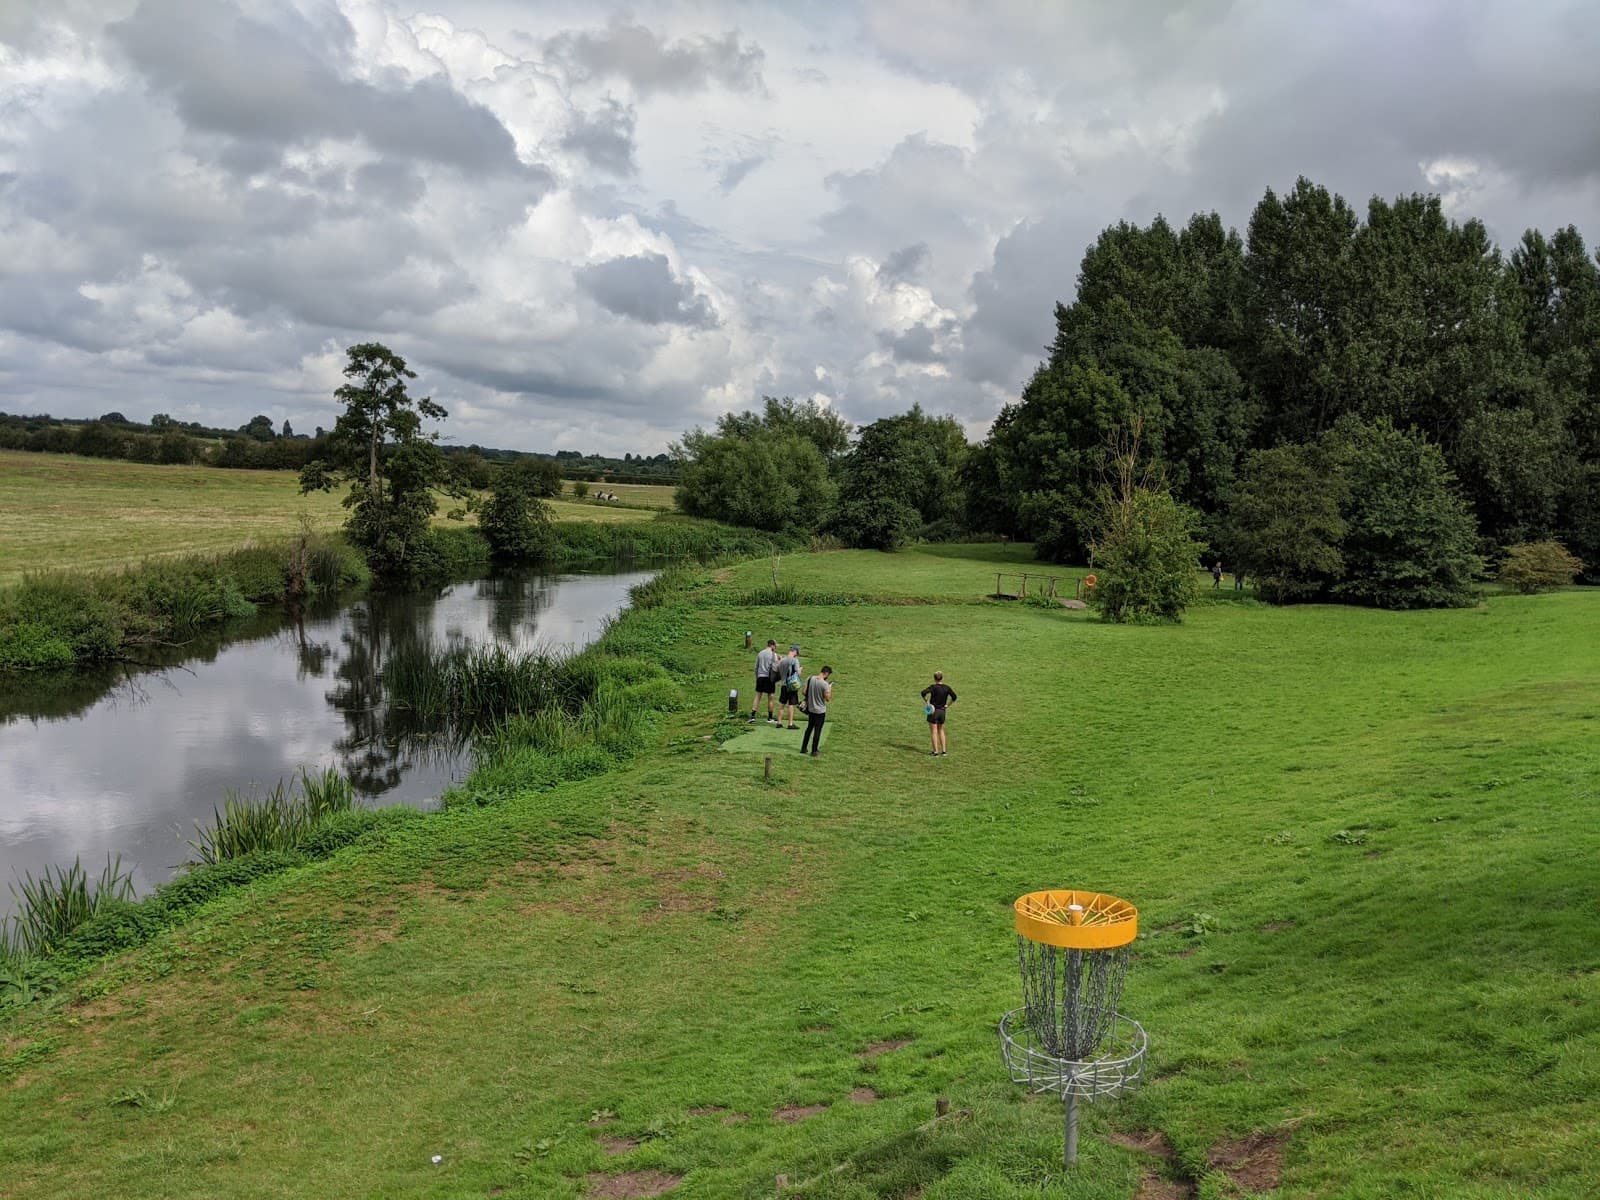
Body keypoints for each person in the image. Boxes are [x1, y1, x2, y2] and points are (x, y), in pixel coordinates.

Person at [920, 671, 957, 756]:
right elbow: (954, 697)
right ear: (942, 678)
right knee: (941, 730)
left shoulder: (933, 687)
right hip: (942, 711)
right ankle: (944, 751)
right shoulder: (947, 688)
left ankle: (935, 752)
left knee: (933, 731)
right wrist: (947, 705)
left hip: (933, 711)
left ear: (934, 678)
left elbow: (923, 693)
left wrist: (927, 702)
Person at [799, 666, 833, 757]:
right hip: (820, 711)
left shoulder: (810, 678)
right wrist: (830, 689)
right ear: (826, 673)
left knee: (809, 728)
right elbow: (828, 698)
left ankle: (803, 747)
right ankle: (814, 750)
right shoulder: (824, 684)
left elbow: (804, 692)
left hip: (811, 709)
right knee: (817, 730)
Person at [750, 639, 779, 723]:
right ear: (772, 645)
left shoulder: (760, 653)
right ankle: (770, 717)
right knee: (771, 697)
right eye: (775, 646)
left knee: (758, 696)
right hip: (769, 678)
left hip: (760, 677)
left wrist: (757, 677)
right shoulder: (774, 655)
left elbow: (756, 667)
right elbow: (776, 668)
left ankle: (752, 715)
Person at [778, 645, 803, 729]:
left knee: (782, 704)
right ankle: (790, 723)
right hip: (791, 685)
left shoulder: (782, 660)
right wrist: (800, 670)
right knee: (791, 704)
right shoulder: (795, 660)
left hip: (783, 684)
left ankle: (779, 722)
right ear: (795, 651)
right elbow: (797, 673)